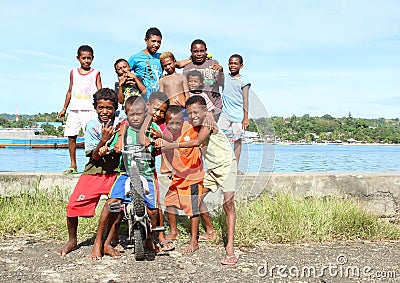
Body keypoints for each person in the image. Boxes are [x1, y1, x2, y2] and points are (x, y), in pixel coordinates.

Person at [158, 95, 239, 265]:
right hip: (213, 170)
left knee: (228, 204)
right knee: (197, 199)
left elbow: (197, 142)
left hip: (227, 166)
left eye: (196, 112)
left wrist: (171, 146)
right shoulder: (194, 124)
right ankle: (210, 231)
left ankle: (230, 247)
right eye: (190, 113)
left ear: (205, 111)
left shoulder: (209, 122)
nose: (193, 116)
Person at [90, 95, 163, 258]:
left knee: (153, 211)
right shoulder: (123, 130)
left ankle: (149, 238)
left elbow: (164, 141)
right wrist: (107, 149)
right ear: (126, 115)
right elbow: (111, 146)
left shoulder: (152, 129)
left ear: (145, 113)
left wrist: (159, 141)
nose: (135, 118)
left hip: (147, 174)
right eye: (131, 114)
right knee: (110, 203)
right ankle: (98, 242)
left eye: (139, 114)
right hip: (125, 173)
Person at [57, 88, 121, 256]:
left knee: (116, 206)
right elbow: (94, 155)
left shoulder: (121, 123)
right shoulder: (92, 126)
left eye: (109, 108)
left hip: (115, 172)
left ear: (115, 107)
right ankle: (72, 240)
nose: (105, 111)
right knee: (72, 206)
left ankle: (110, 240)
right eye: (101, 108)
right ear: (95, 107)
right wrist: (103, 142)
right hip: (94, 171)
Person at [161, 105, 204, 253]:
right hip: (178, 176)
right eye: (170, 123)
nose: (174, 126)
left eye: (177, 123)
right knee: (169, 203)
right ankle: (173, 232)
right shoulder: (166, 133)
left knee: (192, 210)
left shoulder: (191, 128)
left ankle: (194, 240)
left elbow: (206, 126)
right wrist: (167, 168)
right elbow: (165, 150)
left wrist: (209, 117)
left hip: (192, 177)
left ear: (183, 121)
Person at [58, 45, 102, 175]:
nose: (86, 61)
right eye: (84, 58)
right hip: (75, 109)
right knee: (71, 136)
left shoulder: (96, 73)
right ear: (78, 58)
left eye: (89, 58)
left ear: (92, 58)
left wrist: (100, 107)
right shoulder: (73, 72)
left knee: (92, 137)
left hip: (89, 110)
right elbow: (70, 91)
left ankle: (92, 165)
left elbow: (99, 91)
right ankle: (73, 165)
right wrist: (64, 108)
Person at [128, 27, 191, 100]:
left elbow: (179, 64)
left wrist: (193, 60)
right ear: (146, 40)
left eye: (159, 42)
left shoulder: (161, 57)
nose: (156, 44)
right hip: (142, 99)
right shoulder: (136, 57)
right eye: (153, 41)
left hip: (158, 99)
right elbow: (124, 71)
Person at [218, 54, 251, 175]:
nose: (232, 66)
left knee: (237, 141)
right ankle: (221, 166)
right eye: (230, 63)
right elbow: (217, 79)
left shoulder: (244, 81)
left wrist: (245, 118)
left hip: (238, 116)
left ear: (241, 66)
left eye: (235, 63)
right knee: (219, 138)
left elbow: (246, 100)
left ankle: (235, 167)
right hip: (225, 114)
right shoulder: (225, 78)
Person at [183, 39, 224, 121]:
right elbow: (185, 90)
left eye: (202, 51)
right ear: (191, 51)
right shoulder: (187, 68)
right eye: (195, 51)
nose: (199, 54)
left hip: (214, 107)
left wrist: (220, 72)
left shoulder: (213, 63)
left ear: (206, 51)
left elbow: (221, 83)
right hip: (196, 111)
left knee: (211, 131)